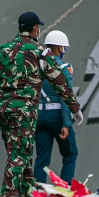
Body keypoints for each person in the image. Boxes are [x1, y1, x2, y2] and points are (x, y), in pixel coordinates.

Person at [0, 12, 83, 197]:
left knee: (19, 150)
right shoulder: (41, 52)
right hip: (23, 111)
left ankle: (28, 194)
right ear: (36, 28)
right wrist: (74, 107)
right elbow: (59, 81)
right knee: (19, 153)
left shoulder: (1, 49)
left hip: (2, 110)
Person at [34, 30, 78, 184]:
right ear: (60, 48)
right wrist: (67, 123)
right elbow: (65, 95)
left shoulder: (37, 66)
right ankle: (65, 192)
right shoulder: (64, 66)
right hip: (57, 116)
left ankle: (37, 194)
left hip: (38, 116)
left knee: (42, 158)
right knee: (70, 153)